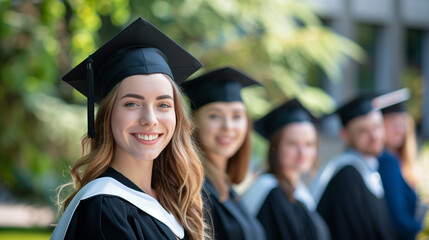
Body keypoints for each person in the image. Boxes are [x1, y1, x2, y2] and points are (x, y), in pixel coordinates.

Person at [51, 17, 206, 240]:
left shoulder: (169, 201)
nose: (150, 119)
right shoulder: (106, 209)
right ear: (107, 115)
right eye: (132, 104)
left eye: (163, 105)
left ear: (177, 116)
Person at [181, 67, 266, 240]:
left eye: (237, 116)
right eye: (214, 116)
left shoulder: (226, 188)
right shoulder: (192, 189)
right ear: (193, 122)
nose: (228, 126)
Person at [241, 99, 331, 240]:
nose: (302, 153)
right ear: (275, 147)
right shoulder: (271, 194)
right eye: (292, 143)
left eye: (309, 144)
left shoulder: (300, 192)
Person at [311, 94, 397, 240]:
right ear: (345, 135)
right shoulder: (347, 176)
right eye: (363, 131)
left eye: (377, 126)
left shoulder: (367, 170)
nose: (374, 136)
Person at [377, 88, 425, 240]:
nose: (401, 130)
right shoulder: (386, 161)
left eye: (403, 124)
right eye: (393, 124)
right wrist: (418, 226)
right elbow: (398, 219)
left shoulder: (396, 159)